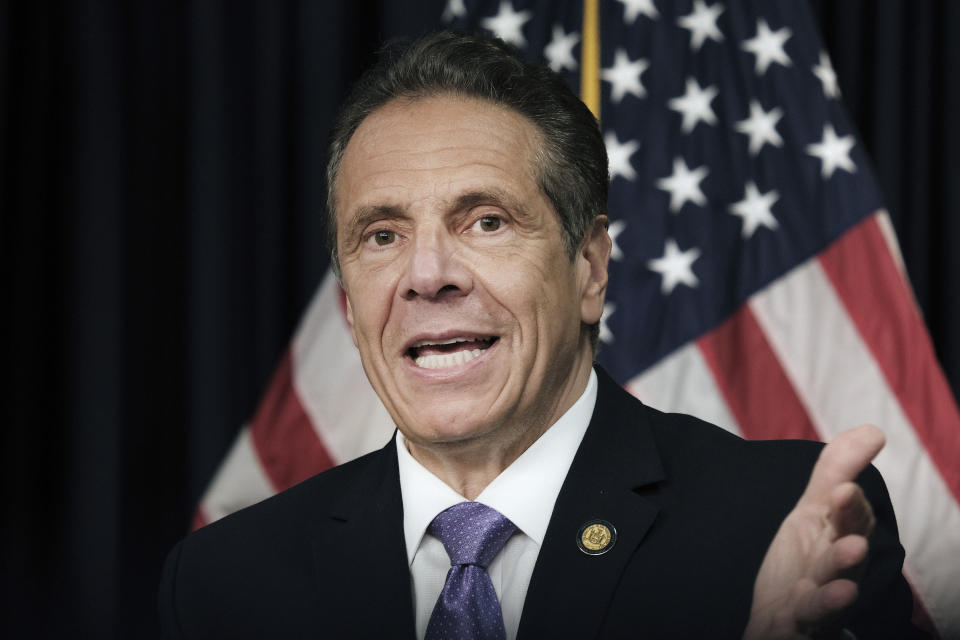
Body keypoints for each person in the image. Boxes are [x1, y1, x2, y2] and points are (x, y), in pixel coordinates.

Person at [159, 31, 924, 639]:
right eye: (382, 235)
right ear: (352, 307)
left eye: (485, 221)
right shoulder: (226, 583)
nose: (427, 276)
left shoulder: (784, 523)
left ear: (590, 268)